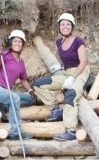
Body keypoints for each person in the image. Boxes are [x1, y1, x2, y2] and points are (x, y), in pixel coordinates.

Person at [33, 13, 90, 141]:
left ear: (72, 26)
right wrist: (60, 70)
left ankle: (70, 131)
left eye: (68, 24)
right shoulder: (59, 42)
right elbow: (65, 59)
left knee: (70, 95)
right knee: (38, 84)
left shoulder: (78, 41)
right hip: (66, 72)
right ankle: (56, 110)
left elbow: (83, 62)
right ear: (59, 27)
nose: (65, 27)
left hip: (80, 71)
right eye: (63, 24)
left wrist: (72, 78)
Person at [0, 30, 36, 140]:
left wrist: (31, 91)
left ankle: (2, 107)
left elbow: (23, 80)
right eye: (15, 41)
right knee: (15, 98)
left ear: (22, 45)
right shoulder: (4, 55)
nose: (17, 43)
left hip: (5, 92)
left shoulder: (21, 62)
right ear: (11, 43)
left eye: (20, 42)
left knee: (30, 98)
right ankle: (15, 133)